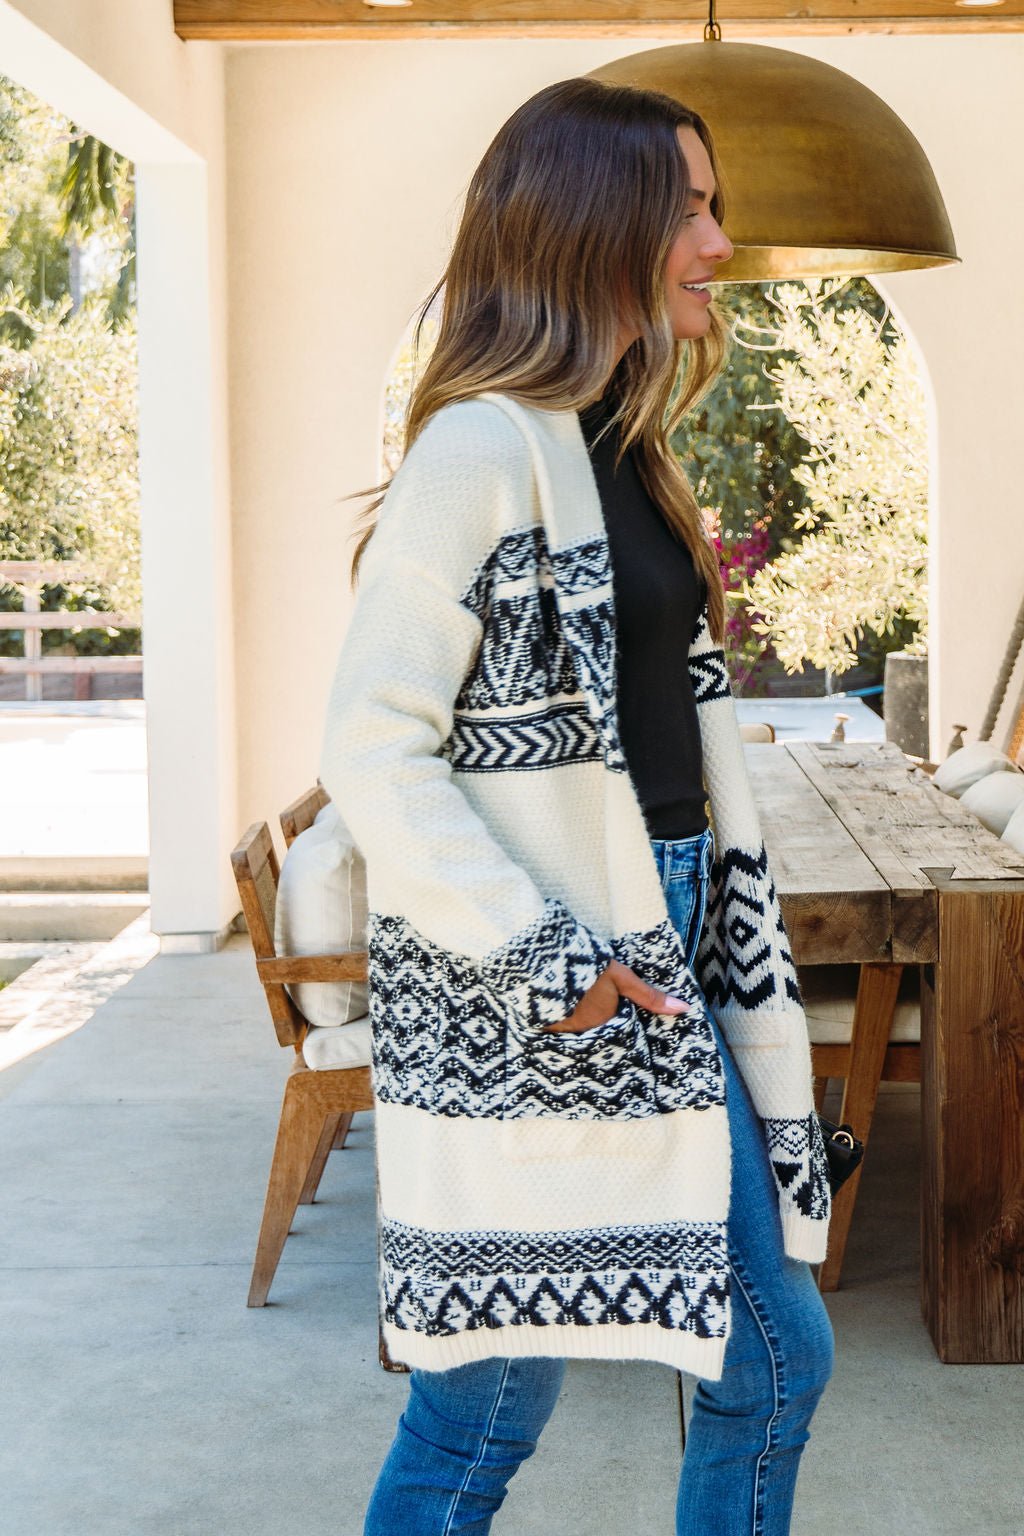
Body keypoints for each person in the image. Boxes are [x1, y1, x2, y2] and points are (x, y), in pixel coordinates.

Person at [320, 75, 835, 1536]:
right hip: (558, 973)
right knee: (508, 1396)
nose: (718, 242)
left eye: (712, 205)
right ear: (593, 226)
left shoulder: (615, 444)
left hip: (661, 943)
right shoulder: (480, 450)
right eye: (687, 206)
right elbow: (372, 747)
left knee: (684, 1368)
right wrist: (547, 960)